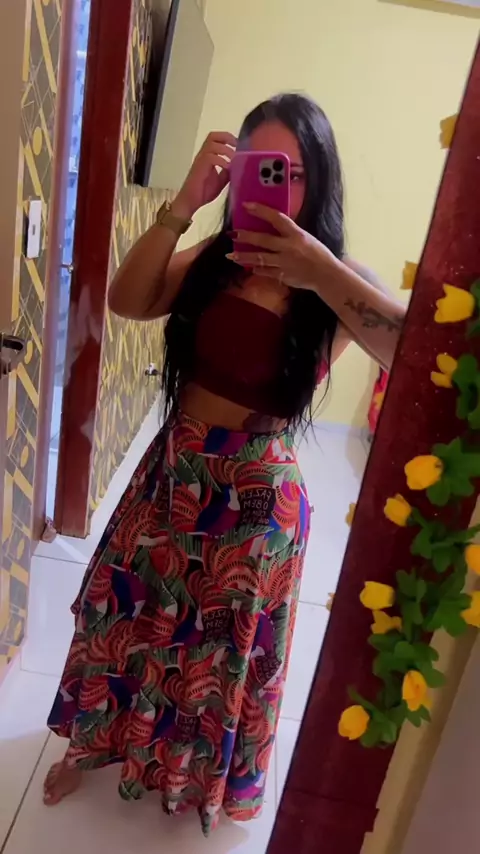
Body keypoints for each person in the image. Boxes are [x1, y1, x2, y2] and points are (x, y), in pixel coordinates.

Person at [44, 93, 405, 835]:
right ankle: (93, 743)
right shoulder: (217, 258)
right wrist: (183, 206)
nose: (280, 188)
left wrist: (319, 272)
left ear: (321, 180)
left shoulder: (338, 278)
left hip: (254, 505)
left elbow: (408, 350)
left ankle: (189, 782)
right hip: (172, 474)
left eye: (295, 173)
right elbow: (127, 300)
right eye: (263, 168)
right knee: (125, 614)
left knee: (212, 656)